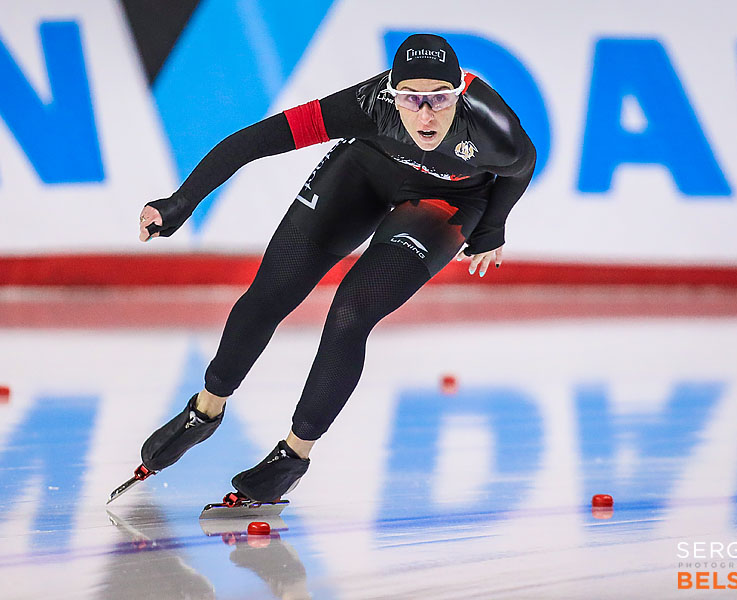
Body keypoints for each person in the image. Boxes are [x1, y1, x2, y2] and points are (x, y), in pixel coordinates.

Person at [135, 34, 536, 503]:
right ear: (391, 92)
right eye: (411, 99)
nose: (426, 115)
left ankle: (293, 456)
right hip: (365, 171)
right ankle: (204, 411)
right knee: (272, 289)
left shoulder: (492, 127)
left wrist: (492, 226)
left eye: (440, 99)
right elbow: (255, 140)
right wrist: (181, 201)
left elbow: (521, 166)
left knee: (350, 312)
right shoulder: (366, 105)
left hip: (447, 199)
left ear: (460, 92)